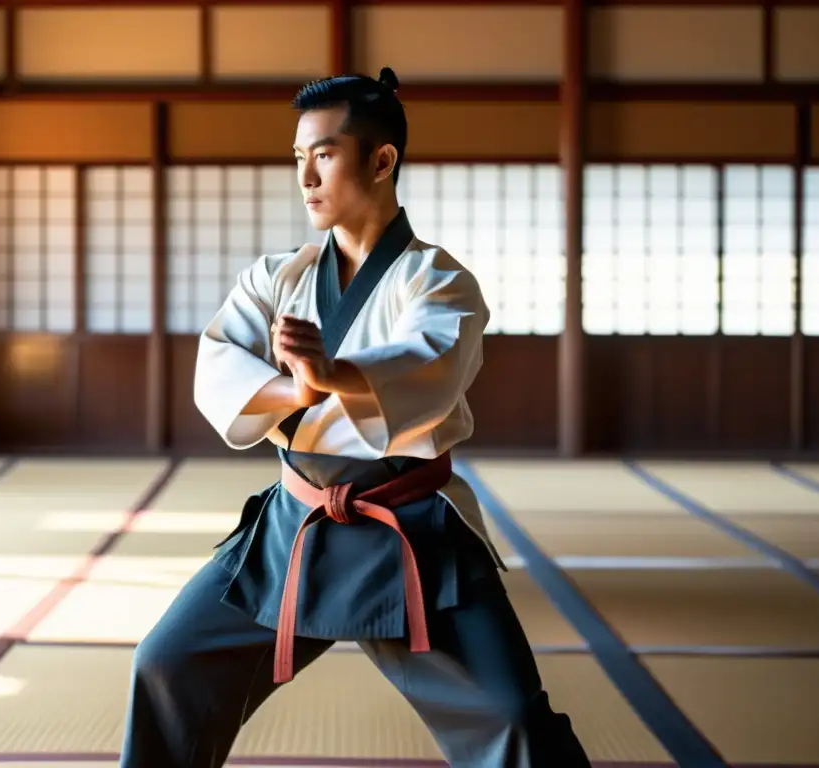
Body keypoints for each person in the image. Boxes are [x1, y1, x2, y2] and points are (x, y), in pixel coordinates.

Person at [120, 67, 591, 768]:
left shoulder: (438, 281)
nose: (306, 176)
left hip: (410, 531)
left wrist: (333, 374)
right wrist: (301, 394)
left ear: (380, 160)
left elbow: (428, 366)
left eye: (325, 155)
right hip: (295, 525)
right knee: (167, 666)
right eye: (298, 159)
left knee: (511, 718)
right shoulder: (277, 277)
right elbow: (219, 361)